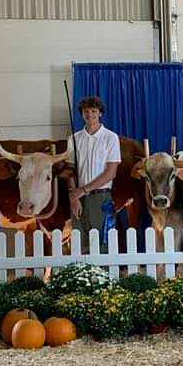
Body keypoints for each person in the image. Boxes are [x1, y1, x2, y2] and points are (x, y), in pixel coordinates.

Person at [67, 96, 121, 253]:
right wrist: (74, 197)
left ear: (100, 113)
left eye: (93, 111)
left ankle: (103, 276)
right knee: (80, 242)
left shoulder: (110, 138)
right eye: (86, 111)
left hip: (101, 197)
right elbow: (70, 172)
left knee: (102, 243)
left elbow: (111, 172)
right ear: (82, 114)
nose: (90, 114)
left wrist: (83, 190)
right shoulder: (74, 139)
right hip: (78, 198)